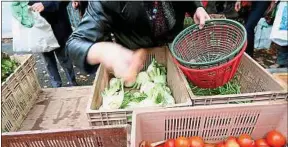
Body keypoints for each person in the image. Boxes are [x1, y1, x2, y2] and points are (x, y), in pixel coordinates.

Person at [66, 1, 210, 85]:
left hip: (175, 49)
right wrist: (105, 51)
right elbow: (75, 44)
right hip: (136, 64)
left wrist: (196, 7)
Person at [30, 1, 77, 87]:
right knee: (49, 61)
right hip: (40, 29)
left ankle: (73, 83)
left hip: (58, 25)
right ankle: (56, 87)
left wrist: (45, 5)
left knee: (64, 59)